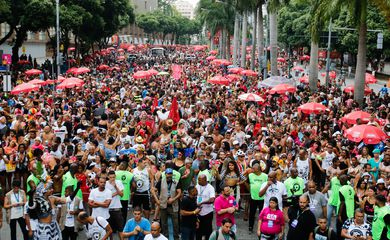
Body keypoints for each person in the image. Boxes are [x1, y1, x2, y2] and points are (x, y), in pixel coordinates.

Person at [152, 168, 182, 239]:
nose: (169, 175)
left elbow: (179, 192)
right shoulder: (161, 181)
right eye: (168, 174)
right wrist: (157, 200)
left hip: (173, 205)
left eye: (170, 174)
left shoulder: (176, 182)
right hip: (163, 205)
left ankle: (176, 237)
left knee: (176, 224)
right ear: (165, 174)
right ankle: (165, 237)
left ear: (172, 174)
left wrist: (173, 199)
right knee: (163, 223)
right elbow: (153, 190)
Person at [247, 162, 268, 233]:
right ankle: (250, 227)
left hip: (263, 198)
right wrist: (250, 190)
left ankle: (262, 227)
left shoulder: (265, 176)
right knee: (252, 213)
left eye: (254, 169)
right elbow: (247, 182)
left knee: (262, 214)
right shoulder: (250, 175)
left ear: (258, 169)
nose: (252, 170)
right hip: (253, 197)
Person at [195, 174, 215, 240]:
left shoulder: (210, 188)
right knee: (198, 230)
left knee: (208, 231)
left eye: (200, 180)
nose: (198, 181)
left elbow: (212, 199)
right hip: (198, 212)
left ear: (205, 180)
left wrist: (202, 203)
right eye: (198, 180)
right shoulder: (197, 186)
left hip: (207, 213)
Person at [106, 170, 124, 239]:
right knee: (109, 230)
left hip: (117, 209)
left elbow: (122, 194)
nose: (112, 179)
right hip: (108, 209)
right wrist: (114, 194)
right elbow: (105, 196)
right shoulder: (106, 183)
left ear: (115, 176)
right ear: (108, 177)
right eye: (110, 177)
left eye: (113, 177)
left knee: (120, 229)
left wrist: (115, 186)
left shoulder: (119, 182)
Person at [115, 161, 134, 225]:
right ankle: (123, 225)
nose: (119, 166)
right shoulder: (130, 174)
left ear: (122, 166)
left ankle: (116, 226)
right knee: (124, 212)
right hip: (125, 196)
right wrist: (132, 191)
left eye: (120, 165)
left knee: (116, 211)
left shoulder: (115, 173)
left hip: (116, 195)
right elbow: (134, 185)